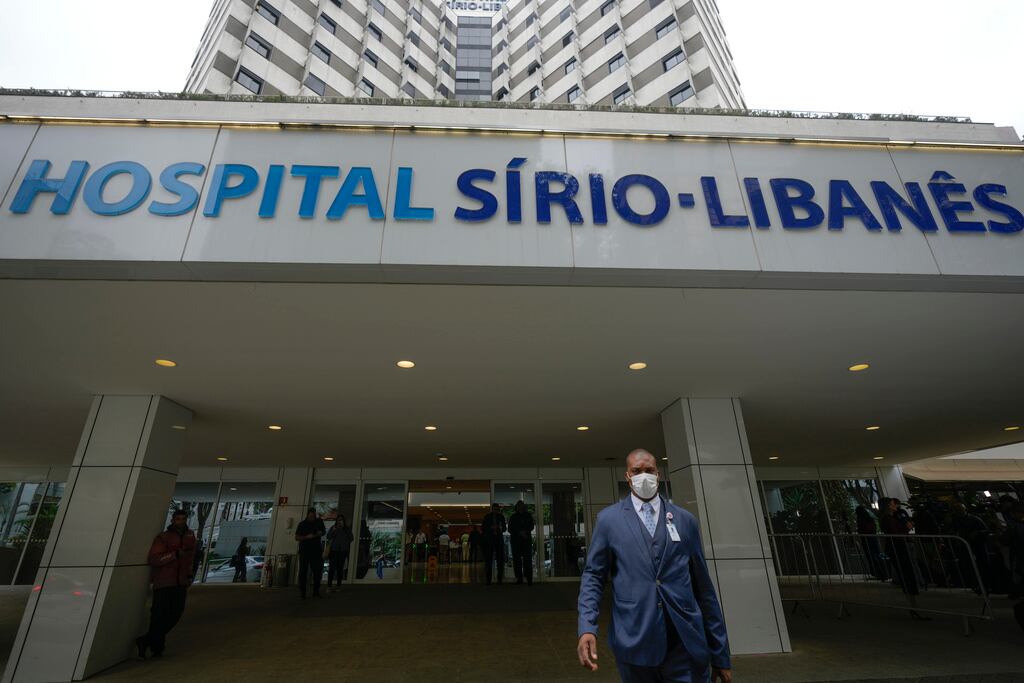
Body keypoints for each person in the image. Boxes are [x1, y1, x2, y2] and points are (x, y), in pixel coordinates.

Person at [577, 449, 731, 683]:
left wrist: (720, 654)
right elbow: (593, 576)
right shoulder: (609, 520)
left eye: (649, 471)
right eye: (636, 471)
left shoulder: (685, 521)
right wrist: (587, 626)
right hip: (634, 638)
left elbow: (704, 588)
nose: (643, 476)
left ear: (658, 474)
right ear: (627, 476)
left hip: (685, 642)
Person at [135, 509, 196, 659]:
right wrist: (174, 555)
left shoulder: (190, 536)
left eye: (183, 519)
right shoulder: (163, 538)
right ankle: (157, 648)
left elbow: (190, 558)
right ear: (173, 520)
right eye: (178, 519)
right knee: (159, 615)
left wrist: (188, 575)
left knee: (175, 613)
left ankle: (147, 640)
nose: (181, 521)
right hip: (164, 582)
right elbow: (154, 559)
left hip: (180, 582)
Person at [295, 507, 326, 599]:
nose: (312, 518)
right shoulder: (302, 524)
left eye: (314, 516)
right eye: (311, 516)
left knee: (317, 572)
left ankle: (316, 591)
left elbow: (323, 531)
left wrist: (320, 533)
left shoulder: (319, 522)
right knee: (303, 572)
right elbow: (297, 537)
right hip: (305, 551)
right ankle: (303, 592)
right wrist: (307, 537)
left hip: (316, 551)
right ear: (308, 515)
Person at [509, 500, 535, 586]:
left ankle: (529, 579)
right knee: (517, 561)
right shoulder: (513, 517)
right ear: (516, 507)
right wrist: (519, 532)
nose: (520, 507)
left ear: (524, 507)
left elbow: (531, 526)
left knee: (527, 560)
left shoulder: (528, 516)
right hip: (516, 542)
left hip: (526, 541)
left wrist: (525, 532)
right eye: (519, 506)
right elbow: (510, 529)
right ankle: (519, 578)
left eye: (522, 505)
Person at [481, 503, 507, 585]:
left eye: (497, 509)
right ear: (492, 509)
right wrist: (490, 528)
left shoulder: (501, 517)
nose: (496, 511)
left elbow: (504, 528)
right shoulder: (487, 517)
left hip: (499, 539)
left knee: (500, 559)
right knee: (489, 560)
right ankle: (488, 580)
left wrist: (500, 528)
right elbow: (483, 528)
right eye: (494, 509)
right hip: (490, 540)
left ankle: (499, 579)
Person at [326, 515, 354, 589]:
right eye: (338, 520)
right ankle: (329, 585)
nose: (340, 521)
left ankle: (338, 585)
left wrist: (345, 543)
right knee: (332, 569)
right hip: (334, 551)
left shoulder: (346, 529)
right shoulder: (333, 528)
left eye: (341, 520)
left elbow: (351, 538)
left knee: (340, 569)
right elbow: (328, 536)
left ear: (343, 521)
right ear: (336, 521)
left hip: (342, 551)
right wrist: (334, 530)